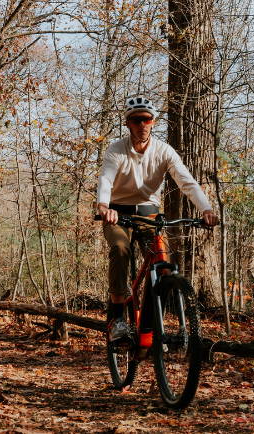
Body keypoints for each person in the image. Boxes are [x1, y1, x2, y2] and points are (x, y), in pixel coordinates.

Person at [96, 96, 219, 342]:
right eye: (136, 120)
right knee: (120, 249)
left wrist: (205, 209)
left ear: (153, 122)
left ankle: (154, 326)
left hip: (148, 212)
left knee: (161, 261)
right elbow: (106, 179)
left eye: (147, 119)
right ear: (128, 123)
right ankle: (118, 318)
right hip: (117, 213)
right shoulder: (116, 150)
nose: (142, 124)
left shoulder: (163, 151)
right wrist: (103, 206)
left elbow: (187, 182)